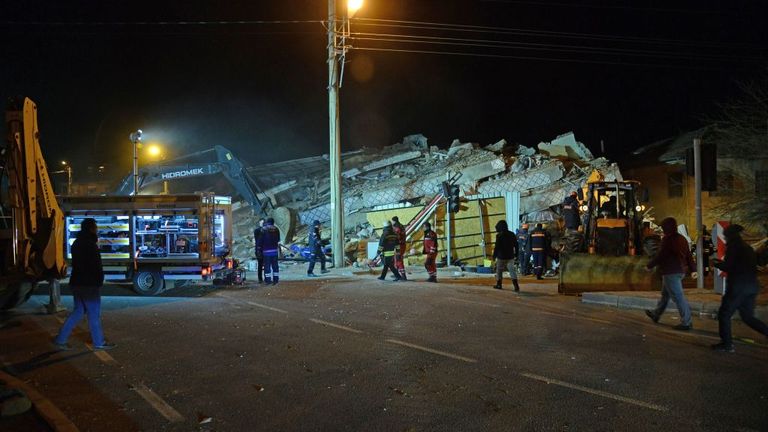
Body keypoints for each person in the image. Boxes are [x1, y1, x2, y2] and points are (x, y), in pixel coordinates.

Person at [53, 218, 116, 351]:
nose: (97, 229)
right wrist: (99, 281)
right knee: (93, 314)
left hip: (77, 282)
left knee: (78, 311)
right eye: (95, 227)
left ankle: (61, 338)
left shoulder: (76, 243)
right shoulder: (91, 244)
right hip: (89, 284)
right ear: (91, 228)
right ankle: (98, 342)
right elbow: (96, 266)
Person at [710, 224, 768, 352]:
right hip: (752, 286)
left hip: (738, 287)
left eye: (725, 235)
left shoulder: (733, 247)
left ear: (729, 236)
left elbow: (730, 266)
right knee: (747, 316)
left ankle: (727, 344)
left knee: (724, 314)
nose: (724, 238)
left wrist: (717, 264)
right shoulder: (747, 248)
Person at [644, 217, 695, 331]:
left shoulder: (668, 240)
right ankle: (656, 314)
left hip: (671, 272)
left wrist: (649, 265)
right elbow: (688, 255)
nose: (662, 230)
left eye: (663, 227)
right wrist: (693, 270)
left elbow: (661, 255)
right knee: (665, 295)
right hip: (680, 271)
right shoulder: (682, 238)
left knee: (678, 297)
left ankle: (687, 322)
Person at [492, 220, 520, 291]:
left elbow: (497, 246)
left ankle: (499, 284)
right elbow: (516, 245)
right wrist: (516, 254)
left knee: (499, 270)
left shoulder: (499, 235)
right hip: (510, 256)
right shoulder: (512, 234)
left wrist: (494, 256)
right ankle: (516, 286)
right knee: (512, 271)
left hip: (501, 256)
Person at [258, 218, 281, 285]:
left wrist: (259, 249)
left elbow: (260, 241)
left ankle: (268, 280)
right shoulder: (276, 229)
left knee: (267, 267)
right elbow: (278, 239)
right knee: (275, 266)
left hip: (266, 252)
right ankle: (276, 280)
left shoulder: (263, 229)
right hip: (275, 251)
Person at [391, 216, 408, 281]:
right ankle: (397, 274)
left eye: (392, 221)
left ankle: (403, 276)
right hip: (402, 245)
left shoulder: (397, 228)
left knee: (398, 260)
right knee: (397, 259)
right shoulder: (401, 226)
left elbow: (396, 237)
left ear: (394, 221)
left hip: (399, 246)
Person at [253, 218, 265, 284]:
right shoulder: (257, 230)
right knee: (260, 265)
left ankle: (266, 277)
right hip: (259, 250)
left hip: (263, 249)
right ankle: (260, 279)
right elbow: (257, 239)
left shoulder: (265, 230)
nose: (262, 224)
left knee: (265, 265)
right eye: (261, 222)